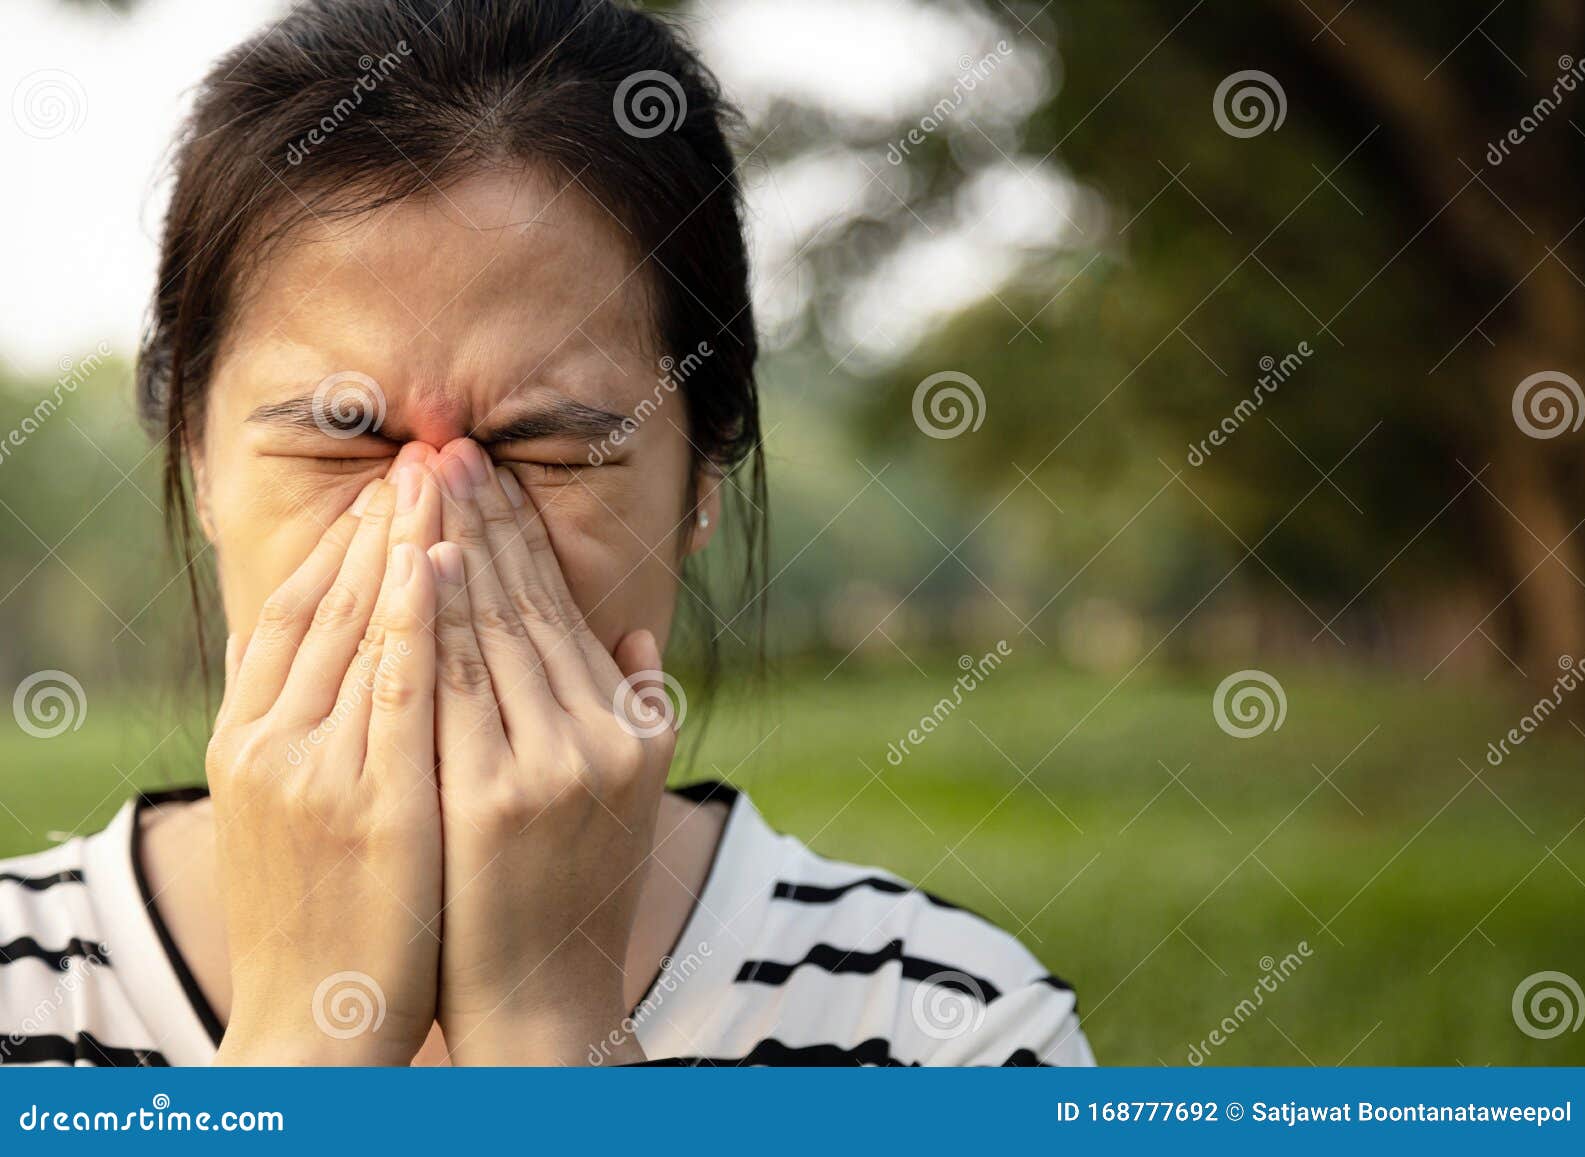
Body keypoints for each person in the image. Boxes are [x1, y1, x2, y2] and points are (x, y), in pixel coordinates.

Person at [0, 0, 1091, 1068]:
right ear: (197, 460)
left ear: (703, 476)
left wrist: (543, 1029)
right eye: (342, 441)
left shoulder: (946, 1028)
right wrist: (305, 1044)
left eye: (543, 450)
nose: (432, 541)